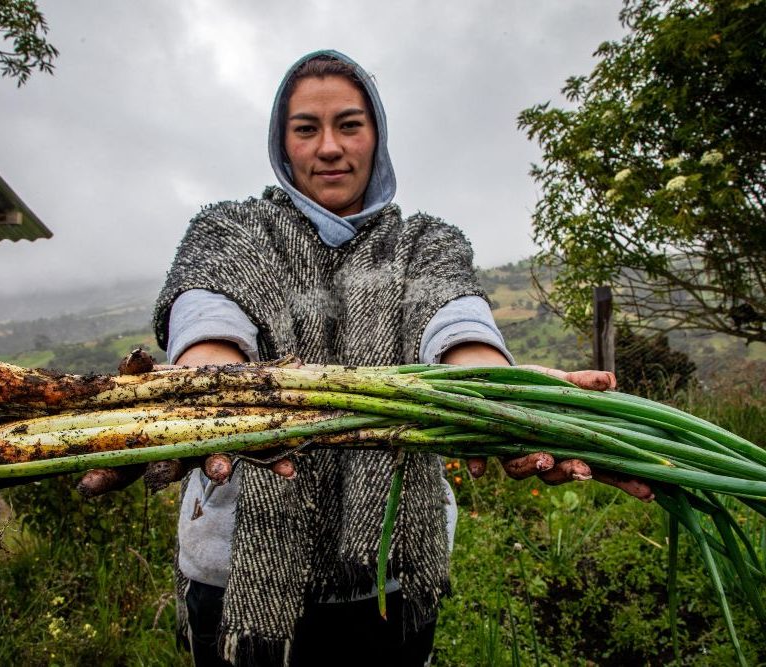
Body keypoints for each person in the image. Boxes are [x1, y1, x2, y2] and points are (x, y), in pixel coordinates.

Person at [145, 50, 652, 667]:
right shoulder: (233, 231)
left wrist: (503, 394)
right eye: (306, 128)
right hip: (238, 577)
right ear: (283, 144)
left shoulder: (424, 244)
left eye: (349, 125)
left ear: (377, 136)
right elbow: (210, 312)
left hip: (391, 578)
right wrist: (214, 384)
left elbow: (456, 321)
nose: (329, 147)